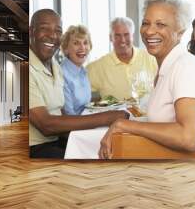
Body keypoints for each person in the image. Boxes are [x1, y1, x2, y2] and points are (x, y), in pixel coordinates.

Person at [99, 0, 195, 159]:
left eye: (160, 25)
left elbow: (188, 137)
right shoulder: (167, 67)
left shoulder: (185, 66)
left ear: (180, 32)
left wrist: (123, 125)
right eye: (146, 23)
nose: (149, 31)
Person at [29, 9, 129, 158]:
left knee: (112, 149)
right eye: (44, 29)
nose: (52, 35)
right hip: (37, 147)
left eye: (57, 31)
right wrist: (108, 117)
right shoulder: (29, 68)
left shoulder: (54, 64)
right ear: (31, 31)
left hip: (58, 138)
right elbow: (46, 125)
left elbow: (61, 112)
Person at [86, 17, 157, 101]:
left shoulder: (151, 58)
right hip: (114, 114)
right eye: (117, 35)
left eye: (126, 34)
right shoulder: (97, 67)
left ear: (132, 36)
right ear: (110, 38)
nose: (122, 40)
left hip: (149, 113)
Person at [60, 25, 92, 115]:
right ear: (66, 49)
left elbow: (87, 106)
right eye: (76, 43)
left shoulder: (83, 71)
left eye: (85, 43)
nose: (82, 47)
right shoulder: (62, 74)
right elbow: (69, 115)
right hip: (74, 127)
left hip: (84, 121)